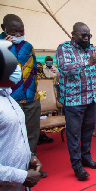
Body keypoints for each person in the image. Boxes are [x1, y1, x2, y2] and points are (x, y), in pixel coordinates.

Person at [56, 22, 96, 180]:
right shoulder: (64, 48)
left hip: (90, 98)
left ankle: (86, 158)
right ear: (73, 34)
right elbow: (64, 69)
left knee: (87, 131)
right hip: (74, 101)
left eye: (89, 35)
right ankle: (77, 165)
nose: (86, 38)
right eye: (83, 35)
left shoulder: (92, 48)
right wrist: (88, 62)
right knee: (74, 134)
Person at [0, 14, 47, 178]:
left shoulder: (28, 47)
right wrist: (6, 45)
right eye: (14, 31)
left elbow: (34, 70)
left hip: (31, 98)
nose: (19, 35)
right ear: (3, 29)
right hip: (9, 99)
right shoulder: (1, 46)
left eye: (21, 31)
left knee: (32, 133)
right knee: (11, 136)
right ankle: (14, 172)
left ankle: (32, 164)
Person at [0, 40, 41, 190]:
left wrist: (29, 156)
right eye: (12, 65)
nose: (18, 70)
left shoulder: (8, 97)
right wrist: (21, 176)